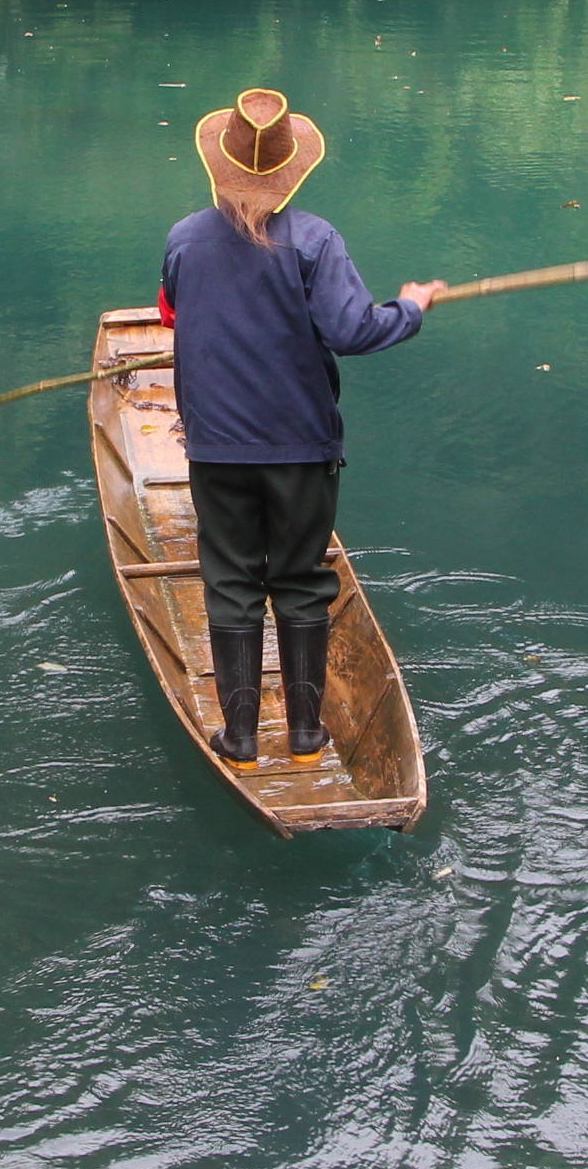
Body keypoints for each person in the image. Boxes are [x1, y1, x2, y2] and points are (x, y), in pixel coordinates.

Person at [157, 89, 445, 767]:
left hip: (218, 449)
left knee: (230, 580)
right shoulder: (315, 240)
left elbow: (171, 316)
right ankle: (309, 736)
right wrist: (411, 308)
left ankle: (241, 740)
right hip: (301, 450)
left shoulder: (183, 238)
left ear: (220, 162)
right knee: (299, 579)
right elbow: (353, 331)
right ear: (291, 171)